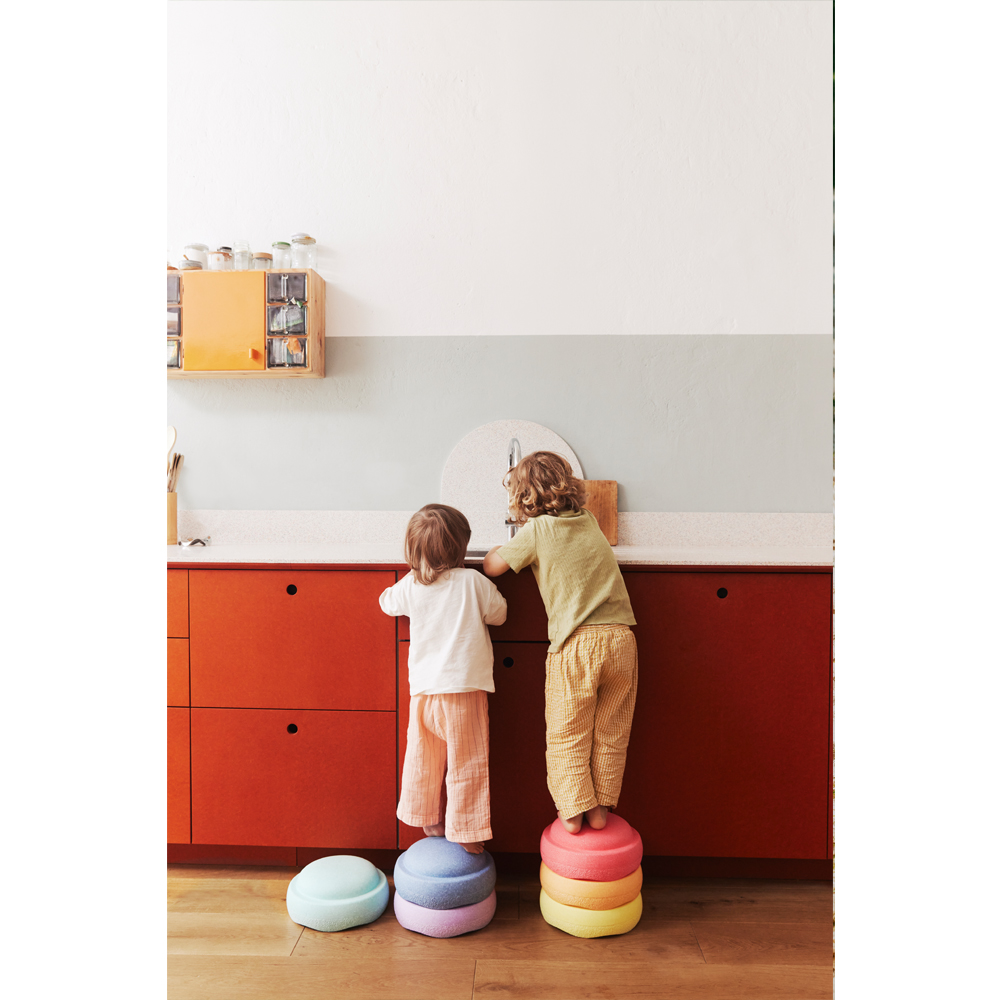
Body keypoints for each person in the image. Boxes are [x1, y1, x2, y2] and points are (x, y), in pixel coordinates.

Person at [483, 451, 637, 835]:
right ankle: (600, 809)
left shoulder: (537, 531)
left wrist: (499, 547)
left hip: (577, 646)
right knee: (610, 732)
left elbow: (492, 567)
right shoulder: (589, 519)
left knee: (568, 734)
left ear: (523, 497)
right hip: (621, 640)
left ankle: (572, 812)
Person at [380, 504, 507, 853]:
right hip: (464, 690)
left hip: (423, 693)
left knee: (424, 757)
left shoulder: (411, 584)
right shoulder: (474, 582)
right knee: (467, 762)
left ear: (413, 549)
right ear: (461, 547)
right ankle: (467, 831)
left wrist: (413, 574)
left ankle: (428, 817)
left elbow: (386, 602)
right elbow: (500, 614)